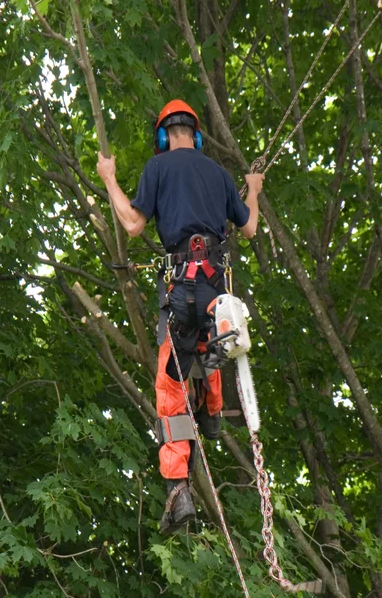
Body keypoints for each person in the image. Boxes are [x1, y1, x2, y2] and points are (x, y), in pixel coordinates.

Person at [97, 100, 264, 533]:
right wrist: (255, 190)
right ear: (196, 133)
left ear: (162, 136)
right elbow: (248, 228)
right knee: (210, 351)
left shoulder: (158, 170)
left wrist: (109, 179)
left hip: (177, 297)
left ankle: (178, 489)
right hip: (214, 294)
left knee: (170, 386)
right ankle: (211, 413)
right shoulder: (219, 175)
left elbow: (133, 224)